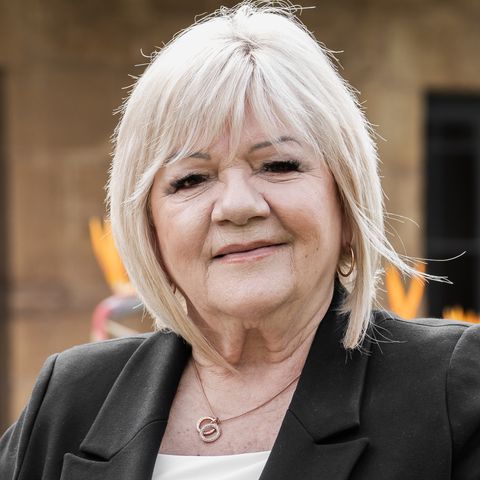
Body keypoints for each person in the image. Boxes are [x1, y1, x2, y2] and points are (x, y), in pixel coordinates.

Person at [1, 2, 480, 479]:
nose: (237, 206)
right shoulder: (69, 398)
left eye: (279, 165)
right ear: (149, 228)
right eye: (191, 179)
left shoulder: (450, 390)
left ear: (346, 200)